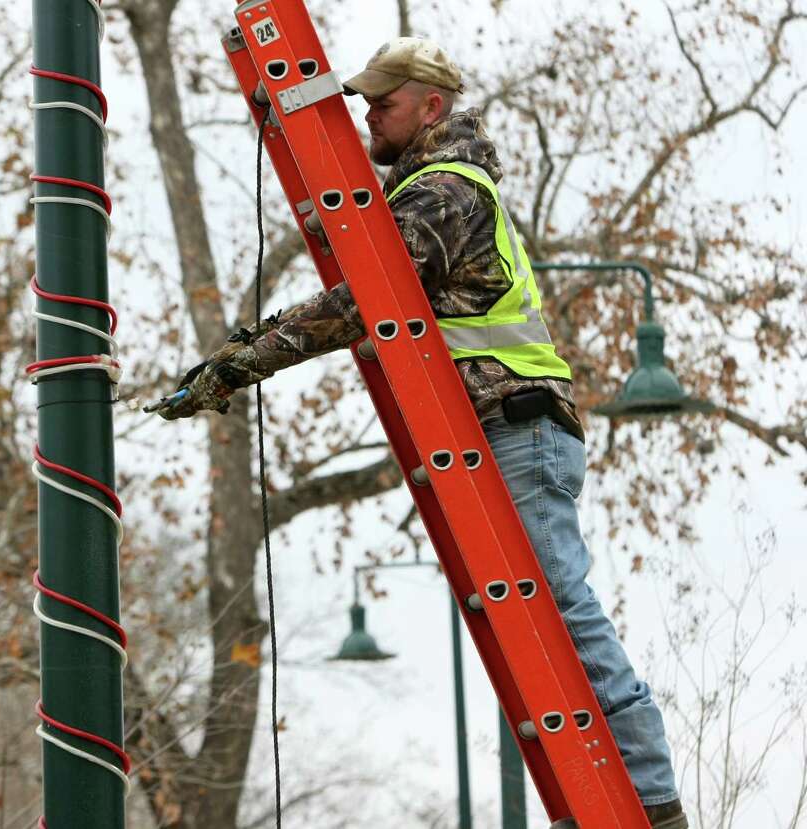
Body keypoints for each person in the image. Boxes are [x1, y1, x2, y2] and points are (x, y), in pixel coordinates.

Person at [151, 37, 687, 829]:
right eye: (364, 100)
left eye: (384, 101)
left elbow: (362, 299)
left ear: (431, 106)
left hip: (518, 422)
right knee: (552, 612)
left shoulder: (443, 193)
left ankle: (652, 803)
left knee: (561, 608)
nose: (369, 114)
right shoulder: (434, 186)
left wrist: (243, 360)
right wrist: (247, 345)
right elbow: (358, 292)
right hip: (510, 421)